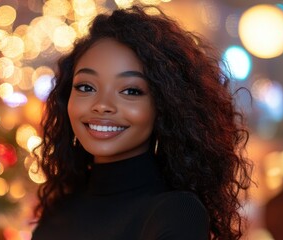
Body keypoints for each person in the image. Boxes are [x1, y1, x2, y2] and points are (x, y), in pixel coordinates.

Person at [31, 5, 252, 240]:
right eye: (86, 87)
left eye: (131, 91)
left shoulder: (176, 213)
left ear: (165, 106)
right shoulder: (59, 211)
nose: (102, 104)